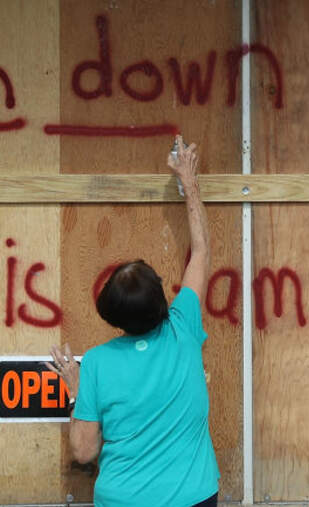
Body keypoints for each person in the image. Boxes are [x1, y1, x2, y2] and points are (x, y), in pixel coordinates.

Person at [48, 135, 218, 507]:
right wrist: (189, 182)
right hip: (194, 498)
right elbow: (201, 250)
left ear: (112, 316)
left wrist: (76, 390)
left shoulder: (96, 363)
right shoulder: (183, 328)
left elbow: (83, 452)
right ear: (161, 300)